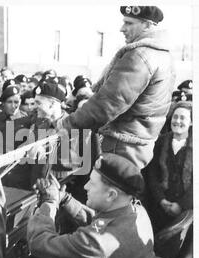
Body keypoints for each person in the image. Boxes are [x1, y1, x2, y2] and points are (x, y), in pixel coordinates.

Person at [9, 153, 171, 258]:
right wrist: (65, 199)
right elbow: (101, 225)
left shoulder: (97, 245)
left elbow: (38, 243)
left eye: (92, 183)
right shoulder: (136, 212)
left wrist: (48, 203)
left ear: (111, 195)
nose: (86, 186)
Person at [56, 6, 175, 169]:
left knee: (109, 191)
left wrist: (67, 124)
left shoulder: (140, 55)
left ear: (147, 25)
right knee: (123, 191)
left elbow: (108, 103)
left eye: (129, 23)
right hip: (138, 142)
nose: (122, 28)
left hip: (123, 143)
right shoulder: (163, 55)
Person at [144, 101, 192, 258]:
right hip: (158, 208)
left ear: (191, 121)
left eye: (183, 118)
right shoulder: (161, 141)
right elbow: (152, 174)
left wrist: (181, 205)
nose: (177, 121)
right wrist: (161, 200)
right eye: (175, 117)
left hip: (186, 213)